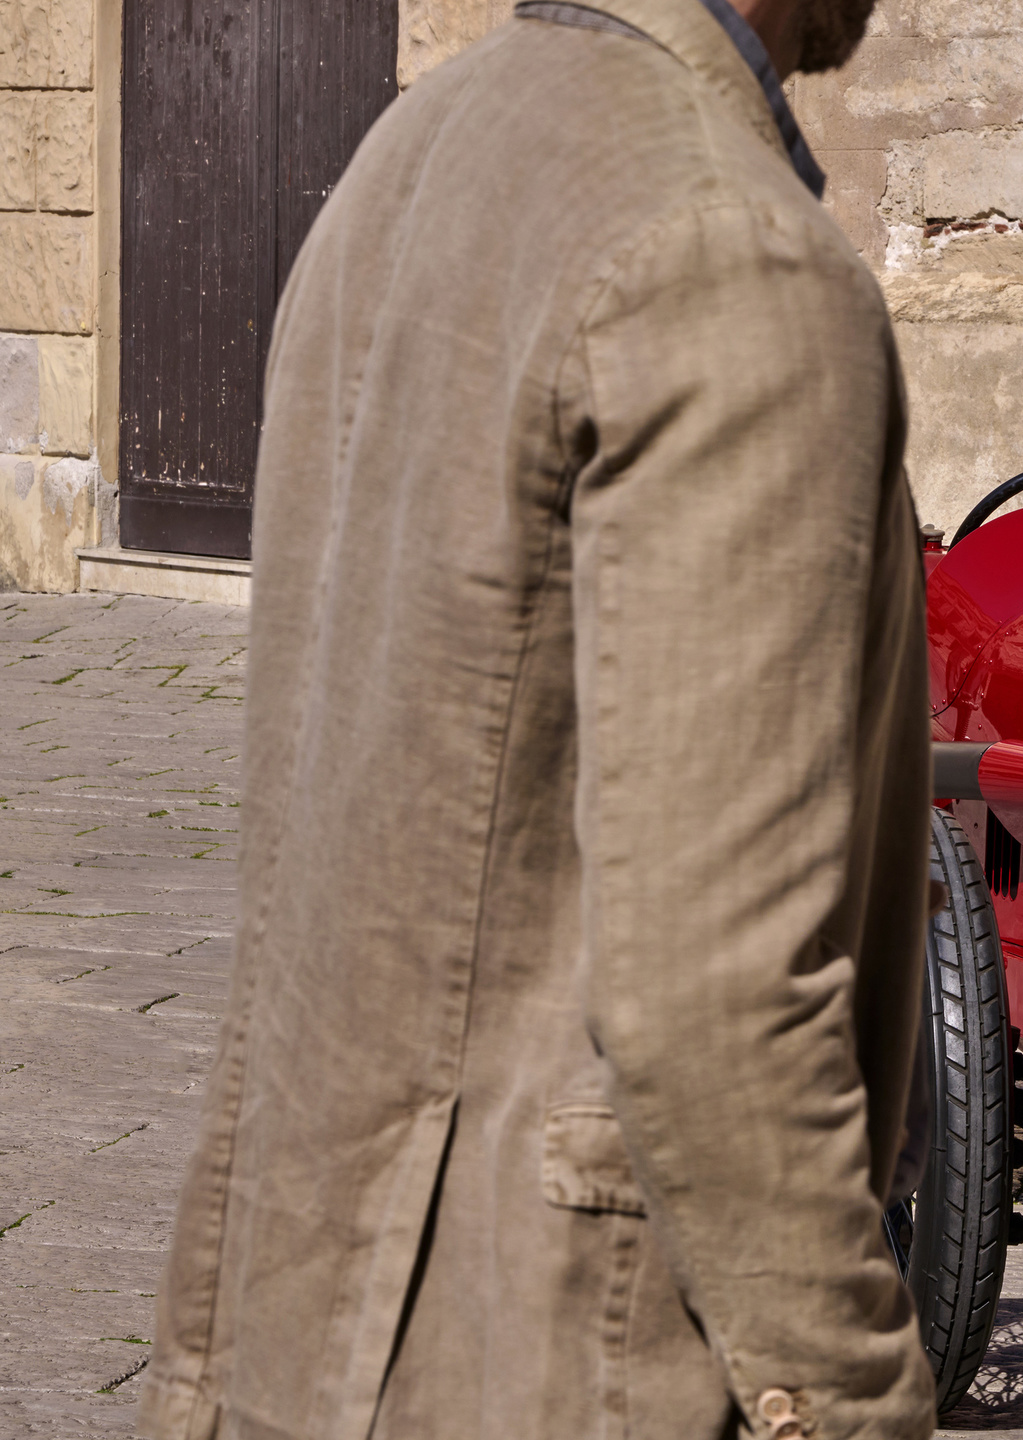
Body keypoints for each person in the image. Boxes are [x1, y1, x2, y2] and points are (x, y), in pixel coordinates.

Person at [139, 1, 936, 1436]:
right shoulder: (730, 254)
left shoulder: (412, 149)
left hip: (304, 1315)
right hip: (566, 1347)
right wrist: (852, 1395)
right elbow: (720, 994)